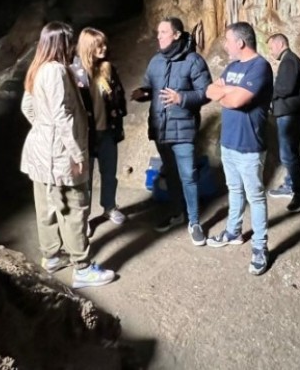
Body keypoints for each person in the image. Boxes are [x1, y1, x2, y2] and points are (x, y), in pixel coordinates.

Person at [20, 21, 115, 288]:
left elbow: (27, 105)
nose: (73, 46)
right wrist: (76, 153)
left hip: (41, 153)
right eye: (70, 41)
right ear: (62, 43)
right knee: (75, 208)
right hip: (60, 155)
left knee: (48, 207)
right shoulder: (57, 71)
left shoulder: (38, 68)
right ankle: (82, 268)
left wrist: (41, 129)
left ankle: (51, 256)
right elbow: (62, 116)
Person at [131, 17, 211, 245]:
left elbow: (206, 93)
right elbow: (151, 88)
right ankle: (178, 213)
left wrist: (182, 97)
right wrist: (142, 94)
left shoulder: (194, 61)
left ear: (176, 35)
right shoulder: (155, 61)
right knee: (172, 177)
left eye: (163, 32)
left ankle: (194, 221)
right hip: (160, 129)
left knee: (188, 176)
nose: (159, 36)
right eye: (158, 32)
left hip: (183, 129)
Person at [205, 22, 274, 276]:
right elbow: (210, 90)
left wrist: (227, 92)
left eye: (228, 40)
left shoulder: (260, 67)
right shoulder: (233, 66)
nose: (226, 45)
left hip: (249, 145)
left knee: (255, 196)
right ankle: (233, 232)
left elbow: (234, 100)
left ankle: (259, 247)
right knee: (234, 190)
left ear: (241, 43)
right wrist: (228, 91)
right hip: (229, 142)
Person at [72, 27, 127, 227]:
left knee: (109, 173)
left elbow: (118, 96)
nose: (104, 48)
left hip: (107, 130)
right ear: (88, 47)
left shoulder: (108, 69)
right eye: (99, 45)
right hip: (85, 134)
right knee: (84, 179)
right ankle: (83, 218)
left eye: (104, 44)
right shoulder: (74, 73)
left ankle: (110, 207)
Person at [265, 33, 300, 213]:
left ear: (280, 44)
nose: (270, 51)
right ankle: (291, 183)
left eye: (271, 47)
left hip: (291, 114)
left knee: (287, 154)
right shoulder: (289, 60)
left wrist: (269, 93)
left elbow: (285, 88)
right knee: (290, 151)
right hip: (291, 112)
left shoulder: (289, 60)